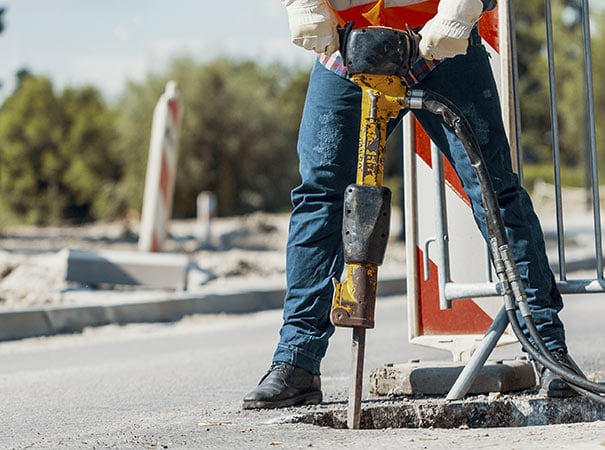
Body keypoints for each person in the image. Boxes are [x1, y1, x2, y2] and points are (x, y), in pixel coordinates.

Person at [243, 0, 579, 409]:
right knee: (321, 195)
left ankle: (547, 351)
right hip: (348, 40)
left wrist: (459, 13)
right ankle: (296, 362)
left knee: (494, 191)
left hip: (438, 36)